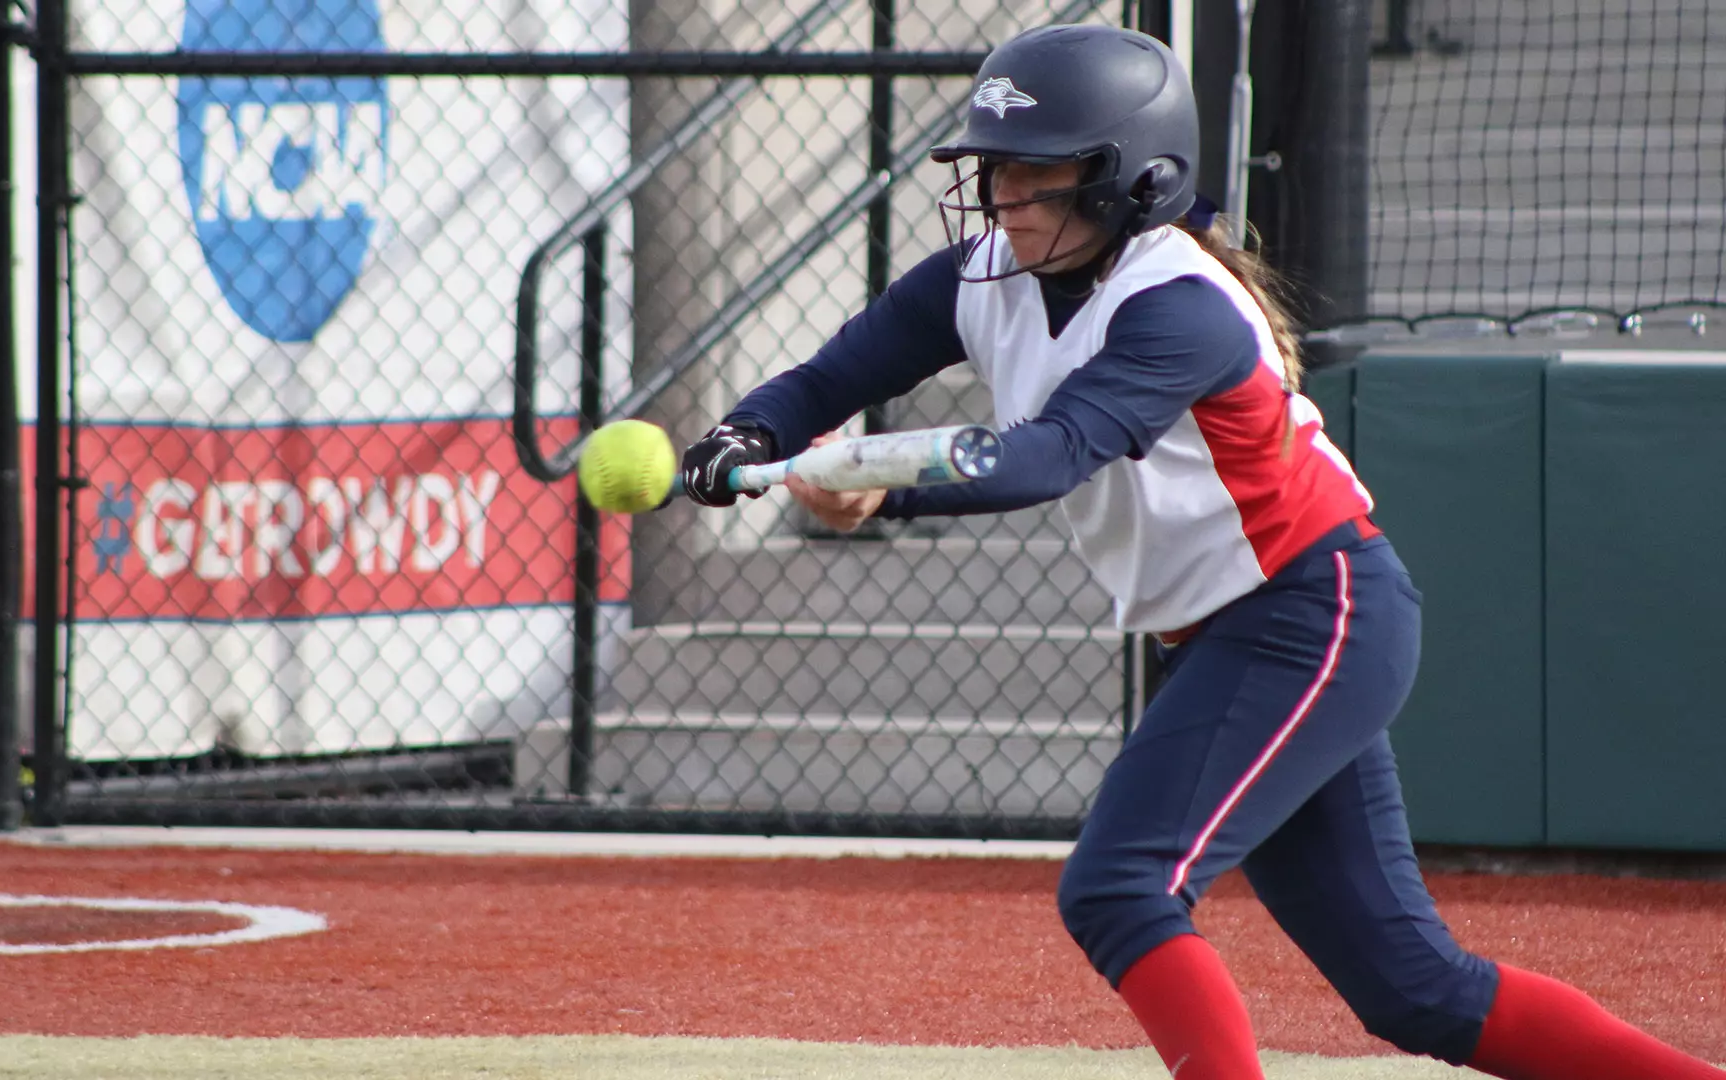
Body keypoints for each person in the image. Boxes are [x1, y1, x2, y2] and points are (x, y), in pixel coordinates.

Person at [677, 23, 1721, 1080]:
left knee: (1120, 887)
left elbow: (1052, 456)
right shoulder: (982, 274)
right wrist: (744, 439)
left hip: (1311, 611)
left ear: (1136, 181)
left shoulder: (1179, 306)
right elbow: (823, 379)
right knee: (1417, 990)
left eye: (1042, 172)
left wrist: (878, 493)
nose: (1006, 196)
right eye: (996, 171)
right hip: (1236, 631)